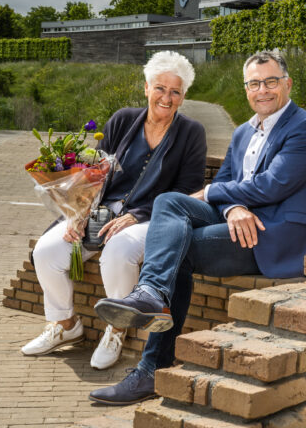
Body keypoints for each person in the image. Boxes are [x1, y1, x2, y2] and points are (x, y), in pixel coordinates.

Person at [88, 50, 306, 405]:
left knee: (178, 248)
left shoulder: (305, 127)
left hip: (278, 234)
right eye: (254, 83)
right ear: (246, 89)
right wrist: (231, 207)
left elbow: (273, 185)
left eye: (271, 81)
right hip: (242, 223)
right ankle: (152, 295)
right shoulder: (244, 131)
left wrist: (217, 193)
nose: (263, 90)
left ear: (287, 84)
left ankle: (152, 368)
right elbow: (231, 180)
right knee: (168, 201)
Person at [21, 51, 207, 372]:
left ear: (183, 95)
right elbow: (95, 171)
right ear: (146, 88)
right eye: (160, 88)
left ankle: (116, 330)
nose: (167, 97)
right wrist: (77, 211)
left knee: (118, 250)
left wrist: (137, 214)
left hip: (152, 218)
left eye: (175, 91)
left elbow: (187, 191)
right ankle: (65, 325)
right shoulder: (122, 120)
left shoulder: (191, 133)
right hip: (102, 213)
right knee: (47, 251)